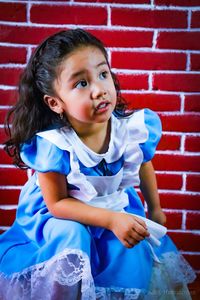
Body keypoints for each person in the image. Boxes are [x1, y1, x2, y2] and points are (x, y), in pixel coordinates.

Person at [0, 28, 196, 300]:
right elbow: (57, 204)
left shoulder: (131, 129)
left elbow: (144, 165)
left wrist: (155, 208)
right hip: (61, 212)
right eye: (81, 83)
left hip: (112, 202)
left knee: (134, 245)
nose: (99, 90)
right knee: (73, 236)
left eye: (103, 74)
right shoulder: (54, 145)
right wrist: (111, 219)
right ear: (55, 102)